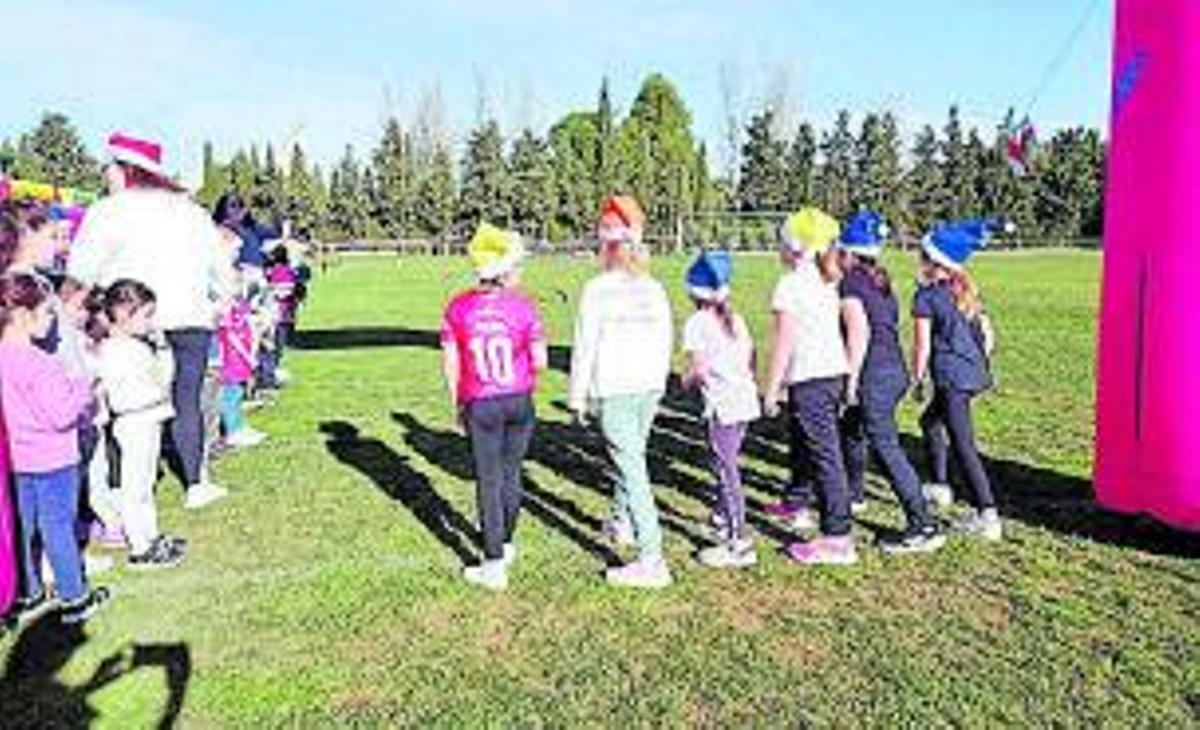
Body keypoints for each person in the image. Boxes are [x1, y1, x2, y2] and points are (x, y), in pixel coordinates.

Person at [68, 133, 229, 510]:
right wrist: (217, 305)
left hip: (128, 322)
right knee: (186, 400)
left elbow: (81, 270)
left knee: (124, 406)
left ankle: (121, 488)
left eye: (109, 166)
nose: (105, 173)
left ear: (126, 169)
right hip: (191, 317)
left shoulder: (109, 210)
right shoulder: (191, 211)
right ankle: (195, 482)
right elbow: (221, 269)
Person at [568, 195, 674, 589]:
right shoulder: (653, 287)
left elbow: (585, 346)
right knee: (632, 458)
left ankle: (652, 560)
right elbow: (666, 338)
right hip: (647, 388)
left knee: (632, 468)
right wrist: (660, 385)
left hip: (615, 389)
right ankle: (622, 523)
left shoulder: (597, 289)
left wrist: (577, 398)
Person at [440, 223, 548, 591]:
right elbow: (541, 360)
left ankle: (494, 562)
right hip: (518, 399)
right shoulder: (523, 306)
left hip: (480, 401)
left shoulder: (457, 307)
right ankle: (505, 543)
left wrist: (457, 401)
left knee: (488, 479)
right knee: (511, 471)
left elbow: (450, 363)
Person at [0, 272, 111, 623]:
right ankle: (75, 598)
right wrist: (84, 387)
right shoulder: (37, 362)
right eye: (48, 313)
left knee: (22, 528)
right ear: (22, 315)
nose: (52, 323)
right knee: (58, 528)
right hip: (52, 459)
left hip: (17, 460)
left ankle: (27, 593)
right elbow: (61, 416)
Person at [836, 212, 945, 554]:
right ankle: (854, 497)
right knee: (851, 429)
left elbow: (859, 333)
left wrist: (850, 381)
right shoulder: (879, 279)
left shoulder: (851, 282)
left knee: (886, 448)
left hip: (874, 375)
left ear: (848, 251)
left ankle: (923, 523)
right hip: (894, 370)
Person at [761, 208, 857, 566]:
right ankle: (796, 502)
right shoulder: (827, 279)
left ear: (796, 248)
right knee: (806, 443)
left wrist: (771, 389)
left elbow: (783, 341)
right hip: (830, 376)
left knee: (825, 454)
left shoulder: (790, 284)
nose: (778, 248)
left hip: (811, 380)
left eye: (782, 242)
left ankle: (838, 537)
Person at [912, 220, 1001, 541]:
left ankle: (987, 515)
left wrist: (917, 378)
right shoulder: (967, 291)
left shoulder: (926, 296)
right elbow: (989, 336)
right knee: (930, 421)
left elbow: (921, 345)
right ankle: (938, 486)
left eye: (922, 255)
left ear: (934, 262)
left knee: (963, 444)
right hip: (974, 374)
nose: (918, 260)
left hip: (952, 379)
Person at [95, 280, 188, 569]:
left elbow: (164, 378)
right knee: (134, 485)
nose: (151, 322)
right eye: (146, 315)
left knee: (146, 482)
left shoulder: (137, 346)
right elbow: (150, 384)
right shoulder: (112, 350)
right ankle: (140, 545)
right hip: (133, 421)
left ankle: (151, 535)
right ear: (123, 314)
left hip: (150, 417)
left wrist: (162, 348)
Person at [681, 250, 761, 569]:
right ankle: (721, 517)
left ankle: (738, 542)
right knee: (724, 462)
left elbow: (698, 370)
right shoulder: (736, 319)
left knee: (726, 470)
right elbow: (752, 356)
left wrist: (679, 384)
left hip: (724, 407)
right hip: (744, 401)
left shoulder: (697, 322)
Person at [217, 278, 267, 448]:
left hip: (241, 359)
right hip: (232, 360)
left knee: (238, 392)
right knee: (231, 395)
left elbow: (251, 319)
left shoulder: (240, 306)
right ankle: (232, 431)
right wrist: (248, 356)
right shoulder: (226, 311)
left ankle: (240, 426)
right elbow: (231, 336)